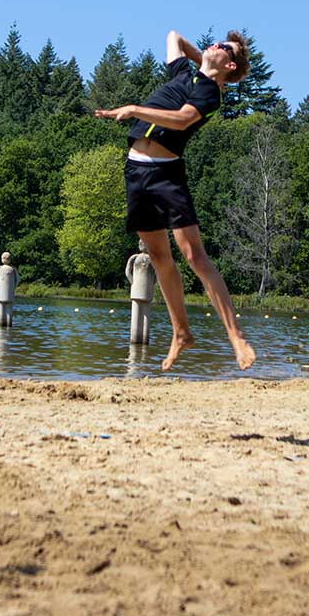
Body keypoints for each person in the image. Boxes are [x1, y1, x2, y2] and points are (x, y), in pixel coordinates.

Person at [95, 29, 256, 372]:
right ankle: (181, 332)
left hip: (166, 174)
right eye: (216, 42)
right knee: (158, 256)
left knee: (194, 255)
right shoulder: (184, 72)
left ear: (229, 64)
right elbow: (174, 37)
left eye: (224, 47)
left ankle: (236, 336)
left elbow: (182, 120)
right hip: (136, 171)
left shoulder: (210, 94)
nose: (215, 44)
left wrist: (135, 109)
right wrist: (205, 60)